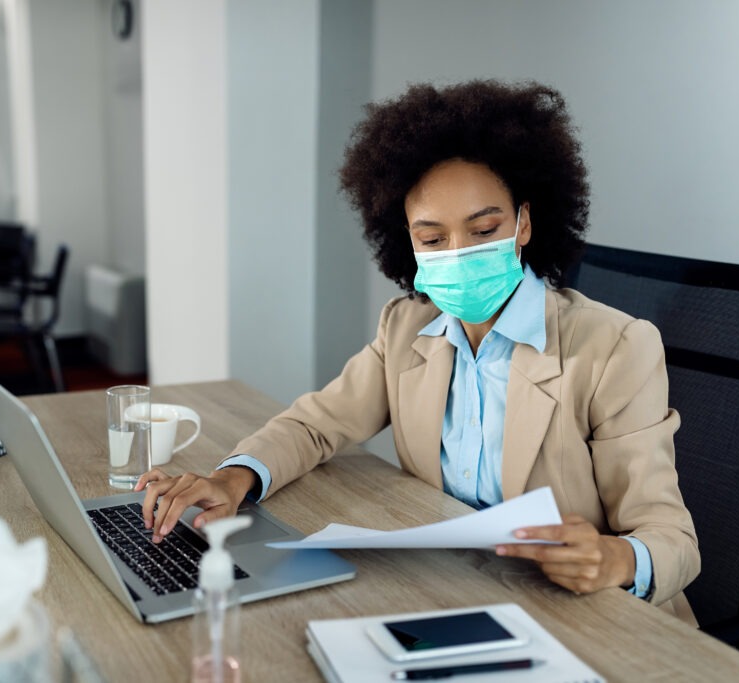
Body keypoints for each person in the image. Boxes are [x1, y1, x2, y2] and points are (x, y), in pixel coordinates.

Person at [136, 80, 700, 622]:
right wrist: (233, 478)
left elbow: (673, 539)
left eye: (483, 229)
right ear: (408, 242)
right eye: (433, 239)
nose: (458, 253)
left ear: (524, 222)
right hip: (455, 592)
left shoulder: (616, 348)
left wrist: (616, 559)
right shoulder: (407, 328)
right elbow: (315, 425)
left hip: (593, 617)